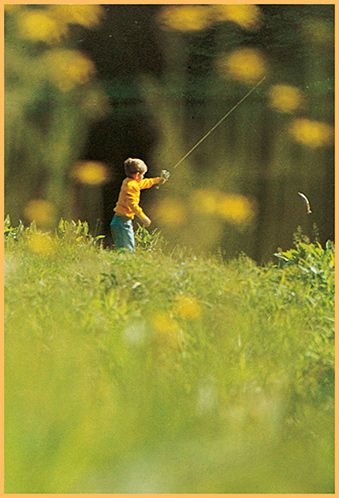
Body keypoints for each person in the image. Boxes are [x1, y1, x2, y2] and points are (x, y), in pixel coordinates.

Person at [110, 158, 168, 251]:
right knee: (127, 247)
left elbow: (144, 183)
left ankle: (123, 262)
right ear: (137, 175)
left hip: (120, 221)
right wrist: (143, 217)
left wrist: (157, 180)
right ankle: (126, 263)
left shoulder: (129, 182)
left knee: (125, 246)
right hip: (122, 222)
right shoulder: (131, 186)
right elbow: (133, 205)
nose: (143, 177)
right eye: (143, 175)